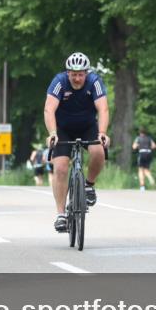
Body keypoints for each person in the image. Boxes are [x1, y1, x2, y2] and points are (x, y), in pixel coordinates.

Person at [44, 52, 111, 233]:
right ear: (68, 73)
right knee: (60, 168)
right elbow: (49, 109)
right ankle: (61, 215)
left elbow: (103, 109)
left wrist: (103, 132)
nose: (77, 78)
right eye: (74, 74)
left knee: (98, 151)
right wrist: (52, 133)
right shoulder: (59, 82)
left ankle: (89, 185)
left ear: (86, 73)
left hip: (87, 126)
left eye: (81, 74)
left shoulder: (94, 82)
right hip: (63, 129)